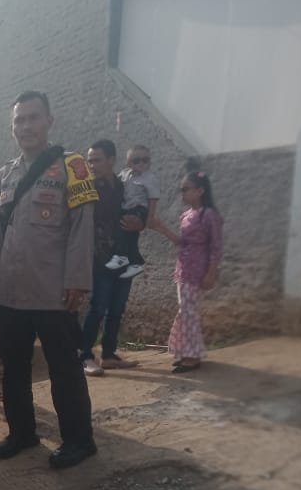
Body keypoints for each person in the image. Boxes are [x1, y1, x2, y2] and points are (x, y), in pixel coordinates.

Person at [0, 91, 98, 469]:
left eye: (33, 118)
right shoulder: (5, 175)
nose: (25, 126)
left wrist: (76, 280)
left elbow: (82, 228)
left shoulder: (73, 167)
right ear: (12, 127)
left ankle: (79, 441)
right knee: (14, 368)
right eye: (19, 120)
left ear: (49, 122)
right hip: (10, 294)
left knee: (64, 369)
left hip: (53, 292)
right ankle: (22, 432)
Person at [80, 140, 144, 375]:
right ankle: (85, 356)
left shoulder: (125, 186)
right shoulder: (88, 188)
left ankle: (108, 355)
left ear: (111, 160)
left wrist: (141, 221)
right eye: (90, 161)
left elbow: (140, 209)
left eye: (96, 160)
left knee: (117, 309)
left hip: (125, 256)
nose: (92, 165)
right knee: (98, 307)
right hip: (101, 259)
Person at [152, 164, 223, 372]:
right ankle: (187, 352)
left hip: (198, 271)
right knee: (185, 311)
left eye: (186, 189)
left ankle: (192, 356)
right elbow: (181, 242)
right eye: (181, 189)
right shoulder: (187, 215)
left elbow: (216, 247)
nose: (182, 193)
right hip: (183, 270)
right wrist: (161, 228)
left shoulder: (209, 215)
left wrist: (211, 272)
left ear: (200, 191)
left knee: (189, 312)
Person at [105, 144, 160, 280]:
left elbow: (153, 199)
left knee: (127, 228)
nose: (141, 163)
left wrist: (150, 218)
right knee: (127, 234)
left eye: (145, 160)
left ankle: (122, 257)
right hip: (126, 208)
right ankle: (135, 263)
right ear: (128, 162)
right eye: (136, 160)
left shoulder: (149, 178)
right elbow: (115, 183)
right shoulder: (125, 174)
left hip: (139, 209)